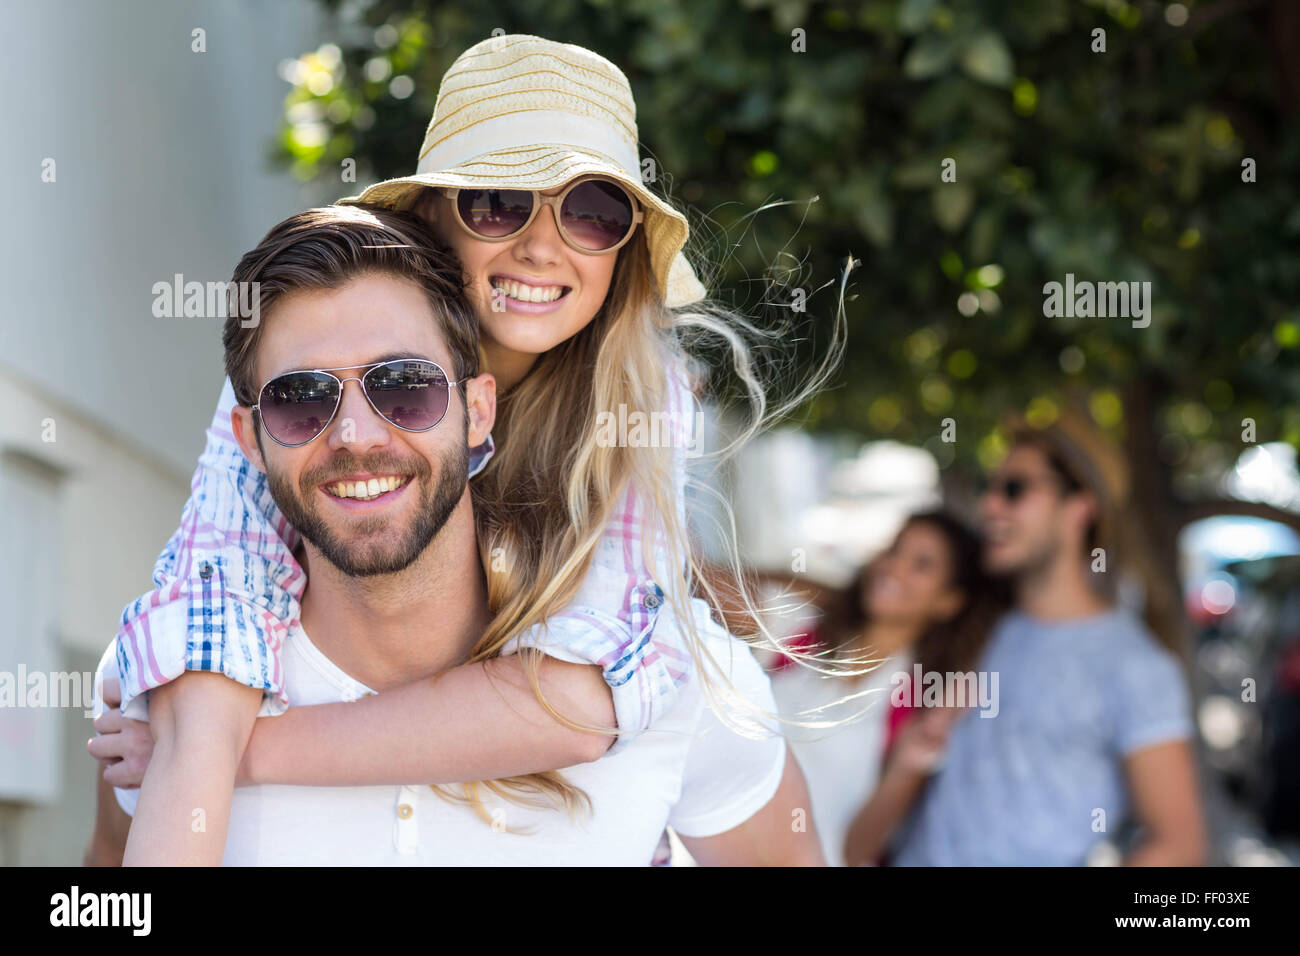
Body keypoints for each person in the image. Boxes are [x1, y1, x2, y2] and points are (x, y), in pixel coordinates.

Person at [91, 35, 834, 865]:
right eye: (499, 200)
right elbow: (211, 600)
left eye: (592, 210)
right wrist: (198, 743)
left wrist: (247, 755)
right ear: (433, 218)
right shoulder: (288, 364)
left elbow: (588, 698)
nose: (543, 245)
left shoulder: (641, 395)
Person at [849, 411, 1208, 866]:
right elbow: (858, 599)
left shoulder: (1135, 665)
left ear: (1081, 507)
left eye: (1015, 489)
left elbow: (1177, 843)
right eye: (990, 486)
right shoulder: (978, 622)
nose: (990, 506)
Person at [774, 510, 1006, 866]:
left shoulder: (918, 705)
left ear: (949, 601)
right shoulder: (806, 638)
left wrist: (908, 764)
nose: (894, 567)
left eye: (922, 564)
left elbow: (858, 853)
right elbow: (711, 584)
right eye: (894, 549)